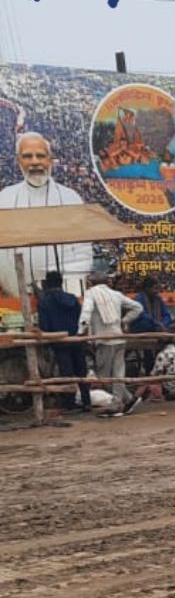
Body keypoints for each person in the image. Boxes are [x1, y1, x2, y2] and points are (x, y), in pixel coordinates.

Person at [0, 132, 93, 298]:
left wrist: (67, 293)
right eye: (27, 156)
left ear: (49, 159)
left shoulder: (70, 198)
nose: (35, 162)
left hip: (65, 296)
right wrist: (13, 288)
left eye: (40, 156)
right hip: (16, 295)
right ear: (18, 160)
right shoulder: (5, 199)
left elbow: (82, 252)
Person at [78, 272, 143, 416]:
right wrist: (124, 321)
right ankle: (128, 399)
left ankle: (117, 404)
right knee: (118, 374)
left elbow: (86, 312)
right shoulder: (116, 294)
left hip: (105, 340)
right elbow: (138, 307)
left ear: (90, 283)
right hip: (119, 338)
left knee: (104, 378)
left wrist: (81, 331)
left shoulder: (90, 293)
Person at [37, 270, 90, 412]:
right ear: (61, 282)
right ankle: (86, 401)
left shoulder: (44, 302)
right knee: (81, 371)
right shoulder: (73, 298)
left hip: (59, 341)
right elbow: (82, 319)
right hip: (76, 339)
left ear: (46, 284)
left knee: (66, 373)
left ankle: (70, 403)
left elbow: (44, 326)